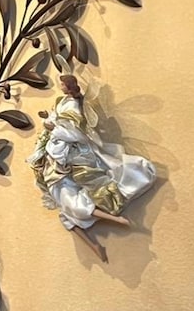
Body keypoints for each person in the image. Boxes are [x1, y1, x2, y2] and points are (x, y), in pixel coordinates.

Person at [27, 74, 156, 261]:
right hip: (56, 160)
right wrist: (49, 122)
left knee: (71, 208)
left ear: (69, 86)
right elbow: (56, 119)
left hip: (67, 156)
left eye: (62, 84)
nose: (60, 86)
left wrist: (52, 128)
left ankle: (114, 220)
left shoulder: (75, 107)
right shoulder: (61, 101)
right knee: (67, 213)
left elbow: (78, 134)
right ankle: (96, 244)